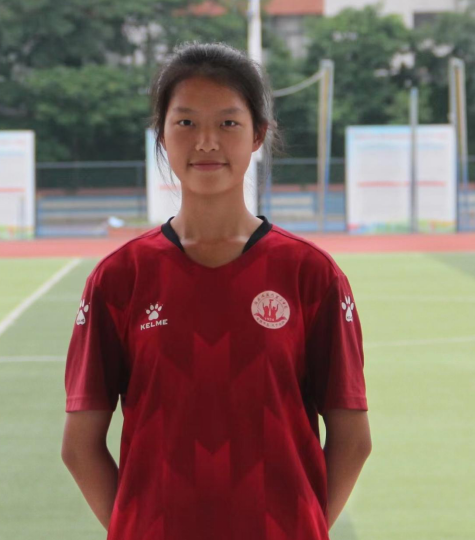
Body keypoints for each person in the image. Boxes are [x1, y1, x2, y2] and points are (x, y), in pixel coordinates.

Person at [62, 41, 371, 540]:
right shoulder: (120, 277)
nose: (206, 142)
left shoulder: (309, 274)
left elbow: (353, 439)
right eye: (186, 122)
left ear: (258, 135)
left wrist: (301, 527)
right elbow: (79, 447)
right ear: (162, 135)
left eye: (228, 123)